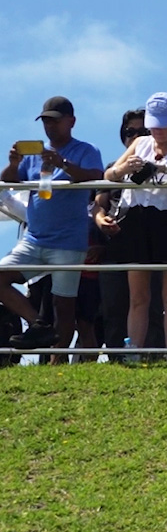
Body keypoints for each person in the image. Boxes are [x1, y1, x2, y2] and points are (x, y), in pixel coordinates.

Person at [104, 92, 167, 354]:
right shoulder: (139, 143)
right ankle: (134, 350)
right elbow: (110, 174)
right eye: (153, 122)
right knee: (138, 296)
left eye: (163, 122)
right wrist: (125, 169)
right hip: (137, 221)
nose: (157, 129)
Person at [0, 96, 103, 353]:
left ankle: (57, 359)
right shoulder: (33, 155)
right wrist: (13, 164)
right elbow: (7, 182)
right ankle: (38, 324)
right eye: (45, 121)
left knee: (64, 305)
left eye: (54, 121)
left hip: (69, 241)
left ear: (71, 122)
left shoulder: (86, 150)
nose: (49, 126)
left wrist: (63, 164)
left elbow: (95, 177)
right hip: (34, 238)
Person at [92, 109, 166, 357]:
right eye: (129, 132)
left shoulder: (161, 165)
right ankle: (117, 359)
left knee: (152, 304)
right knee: (113, 306)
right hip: (115, 247)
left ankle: (153, 357)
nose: (135, 137)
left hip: (149, 243)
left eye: (142, 132)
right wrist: (102, 221)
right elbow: (98, 203)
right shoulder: (113, 167)